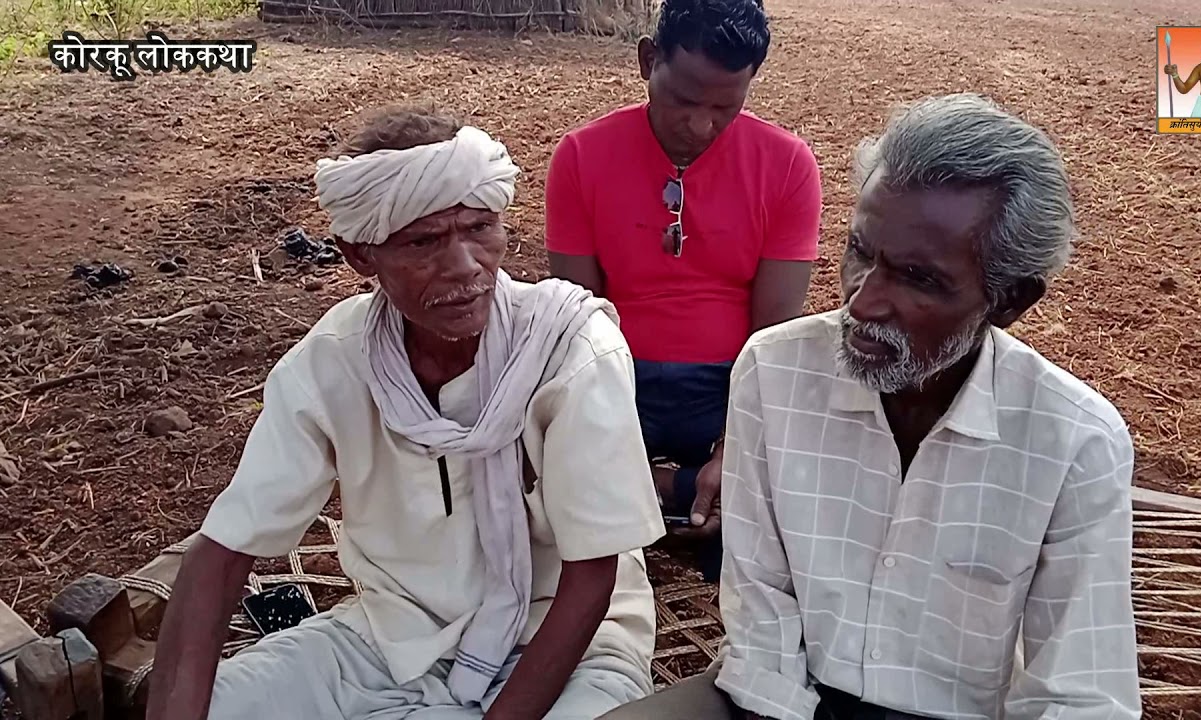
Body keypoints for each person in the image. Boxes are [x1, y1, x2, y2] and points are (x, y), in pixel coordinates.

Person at [602, 93, 1141, 720]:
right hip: (779, 694)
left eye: (918, 278)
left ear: (1009, 300)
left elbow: (1080, 694)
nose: (863, 301)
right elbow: (761, 604)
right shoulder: (774, 371)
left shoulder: (1076, 441)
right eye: (861, 252)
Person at [145, 106, 667, 720]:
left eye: (479, 228)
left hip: (566, 648)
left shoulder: (570, 350)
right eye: (424, 242)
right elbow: (223, 554)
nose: (465, 266)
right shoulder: (333, 363)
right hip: (389, 637)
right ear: (360, 255)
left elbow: (591, 578)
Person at [544, 0, 822, 579]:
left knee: (799, 489)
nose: (701, 126)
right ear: (649, 61)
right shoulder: (581, 156)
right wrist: (597, 423)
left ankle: (659, 490)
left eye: (726, 107)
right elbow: (580, 320)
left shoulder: (788, 165)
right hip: (618, 374)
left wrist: (736, 446)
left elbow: (771, 340)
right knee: (541, 478)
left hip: (729, 383)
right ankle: (677, 493)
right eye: (684, 101)